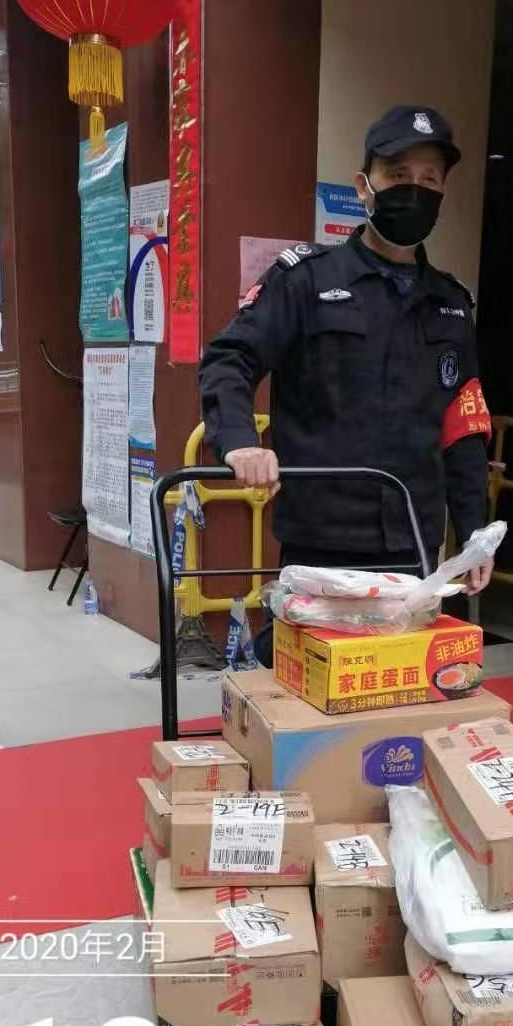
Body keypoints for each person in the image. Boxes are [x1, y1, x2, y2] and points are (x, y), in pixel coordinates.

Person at [199, 105, 493, 666]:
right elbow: (231, 357)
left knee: (397, 681)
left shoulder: (451, 304)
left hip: (413, 540)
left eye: (430, 180)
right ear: (364, 186)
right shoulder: (305, 281)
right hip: (321, 537)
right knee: (304, 679)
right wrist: (238, 441)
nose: (415, 191)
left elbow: (464, 423)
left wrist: (475, 531)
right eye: (398, 175)